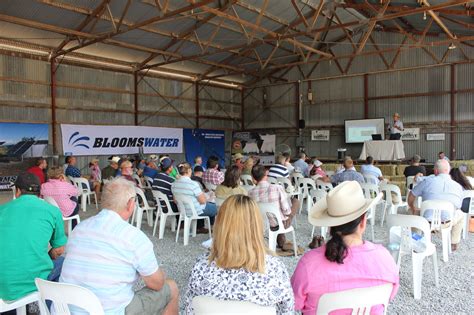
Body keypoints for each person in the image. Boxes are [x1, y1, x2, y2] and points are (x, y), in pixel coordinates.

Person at [60, 178, 179, 315]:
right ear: (130, 204)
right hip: (110, 311)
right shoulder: (133, 237)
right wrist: (159, 272)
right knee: (171, 287)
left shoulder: (79, 229)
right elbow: (157, 284)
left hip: (67, 309)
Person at [292, 181, 399, 314]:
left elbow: (295, 303)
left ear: (330, 225)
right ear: (363, 222)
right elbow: (390, 295)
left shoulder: (309, 263)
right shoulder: (385, 258)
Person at [184, 195, 294, 314]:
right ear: (257, 226)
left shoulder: (201, 267)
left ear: (220, 225)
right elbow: (287, 310)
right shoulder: (274, 268)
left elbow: (189, 310)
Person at [0, 172, 67, 302]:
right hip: (33, 283)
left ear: (17, 191)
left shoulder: (2, 210)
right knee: (63, 262)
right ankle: (44, 304)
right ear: (39, 193)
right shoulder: (52, 211)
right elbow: (59, 249)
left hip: (3, 288)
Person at [408, 159, 465, 251]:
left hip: (426, 221)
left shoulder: (426, 182)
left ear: (435, 171)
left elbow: (411, 196)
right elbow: (459, 206)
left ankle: (416, 240)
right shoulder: (458, 186)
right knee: (461, 214)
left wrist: (412, 207)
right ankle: (454, 242)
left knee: (411, 212)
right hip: (447, 222)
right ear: (448, 170)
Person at [249, 165, 300, 254]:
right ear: (266, 174)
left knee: (274, 212)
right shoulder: (277, 188)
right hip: (278, 224)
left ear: (253, 177)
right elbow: (286, 210)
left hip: (260, 224)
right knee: (295, 201)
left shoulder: (250, 192)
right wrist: (288, 216)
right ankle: (282, 234)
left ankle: (280, 237)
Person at [171, 162, 217, 234]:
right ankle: (212, 228)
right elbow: (202, 201)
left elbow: (175, 200)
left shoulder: (174, 184)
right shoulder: (193, 184)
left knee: (201, 205)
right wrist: (208, 198)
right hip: (195, 211)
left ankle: (199, 227)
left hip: (183, 211)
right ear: (189, 170)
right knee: (213, 207)